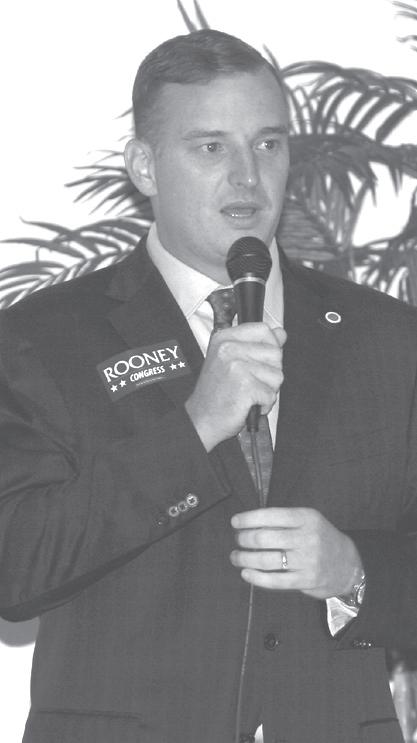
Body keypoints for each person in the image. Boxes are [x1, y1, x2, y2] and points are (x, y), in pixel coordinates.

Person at [0, 28, 416, 743]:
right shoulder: (43, 339)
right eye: (210, 147)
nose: (247, 177)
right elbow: (17, 567)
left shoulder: (387, 338)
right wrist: (194, 426)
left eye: (267, 144)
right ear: (144, 166)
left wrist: (355, 571)